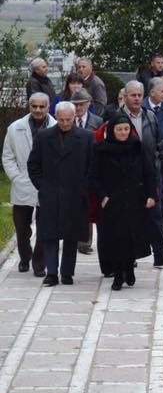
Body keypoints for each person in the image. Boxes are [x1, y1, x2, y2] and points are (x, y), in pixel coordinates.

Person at [27, 102, 95, 286]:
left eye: (68, 119)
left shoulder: (86, 137)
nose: (65, 123)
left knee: (71, 236)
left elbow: (93, 166)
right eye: (61, 119)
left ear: (74, 118)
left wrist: (84, 186)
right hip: (51, 193)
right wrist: (42, 186)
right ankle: (51, 273)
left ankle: (67, 273)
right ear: (55, 117)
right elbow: (33, 164)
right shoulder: (44, 136)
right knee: (49, 235)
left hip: (75, 194)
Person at [92, 115, 156, 289]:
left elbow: (149, 171)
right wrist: (102, 196)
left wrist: (151, 195)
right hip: (112, 201)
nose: (123, 133)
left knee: (130, 237)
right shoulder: (101, 149)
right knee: (114, 238)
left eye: (126, 129)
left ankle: (129, 268)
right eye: (119, 129)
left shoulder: (137, 147)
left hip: (135, 199)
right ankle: (117, 275)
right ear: (112, 130)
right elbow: (93, 176)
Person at [119, 80, 163, 267]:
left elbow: (161, 144)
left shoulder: (150, 116)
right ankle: (129, 255)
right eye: (132, 95)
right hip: (126, 177)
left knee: (155, 216)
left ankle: (161, 255)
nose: (136, 98)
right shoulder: (117, 117)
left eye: (138, 95)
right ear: (125, 97)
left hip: (150, 175)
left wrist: (159, 163)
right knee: (128, 218)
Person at [3, 93, 54, 275]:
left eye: (42, 107)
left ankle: (39, 263)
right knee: (21, 227)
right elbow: (8, 157)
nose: (38, 110)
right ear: (29, 107)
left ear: (48, 107)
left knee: (45, 227)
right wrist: (16, 177)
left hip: (47, 184)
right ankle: (25, 256)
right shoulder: (15, 128)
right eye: (34, 106)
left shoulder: (56, 127)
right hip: (23, 184)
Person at [69, 89, 102, 255]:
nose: (79, 107)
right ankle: (76, 239)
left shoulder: (97, 121)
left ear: (88, 103)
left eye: (82, 104)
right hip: (72, 169)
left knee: (89, 206)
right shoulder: (67, 121)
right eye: (75, 104)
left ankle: (85, 242)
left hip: (91, 167)